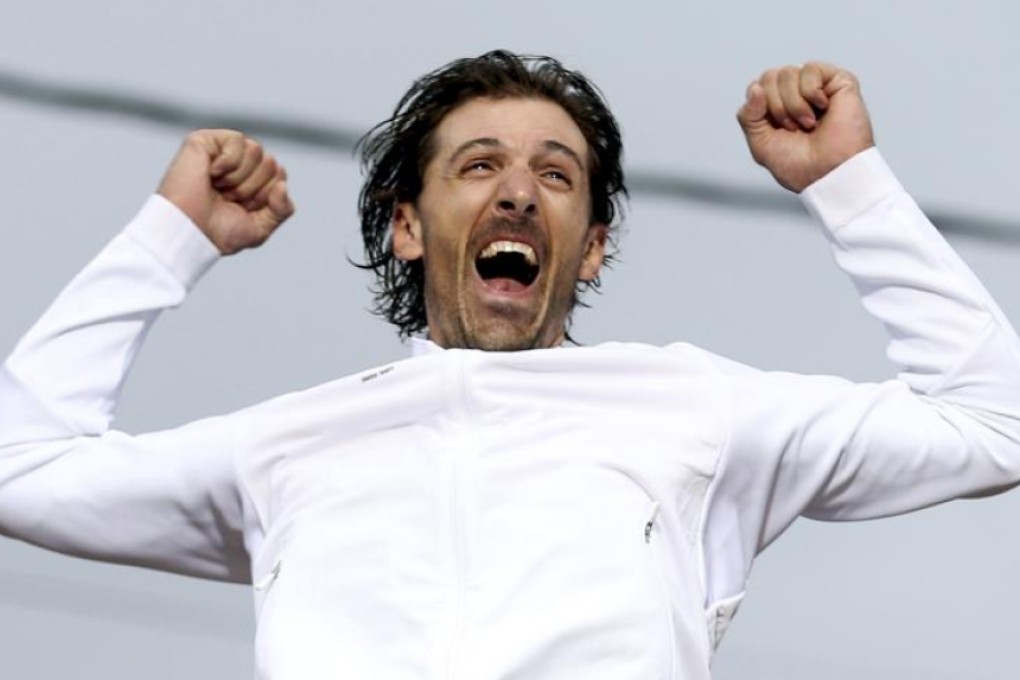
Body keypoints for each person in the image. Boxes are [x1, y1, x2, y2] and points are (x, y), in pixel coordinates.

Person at [2, 50, 1019, 679]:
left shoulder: (697, 407)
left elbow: (993, 419)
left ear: (590, 247)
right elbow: (21, 466)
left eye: (556, 174)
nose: (520, 193)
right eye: (479, 164)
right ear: (407, 225)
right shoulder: (285, 441)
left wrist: (848, 184)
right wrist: (169, 236)